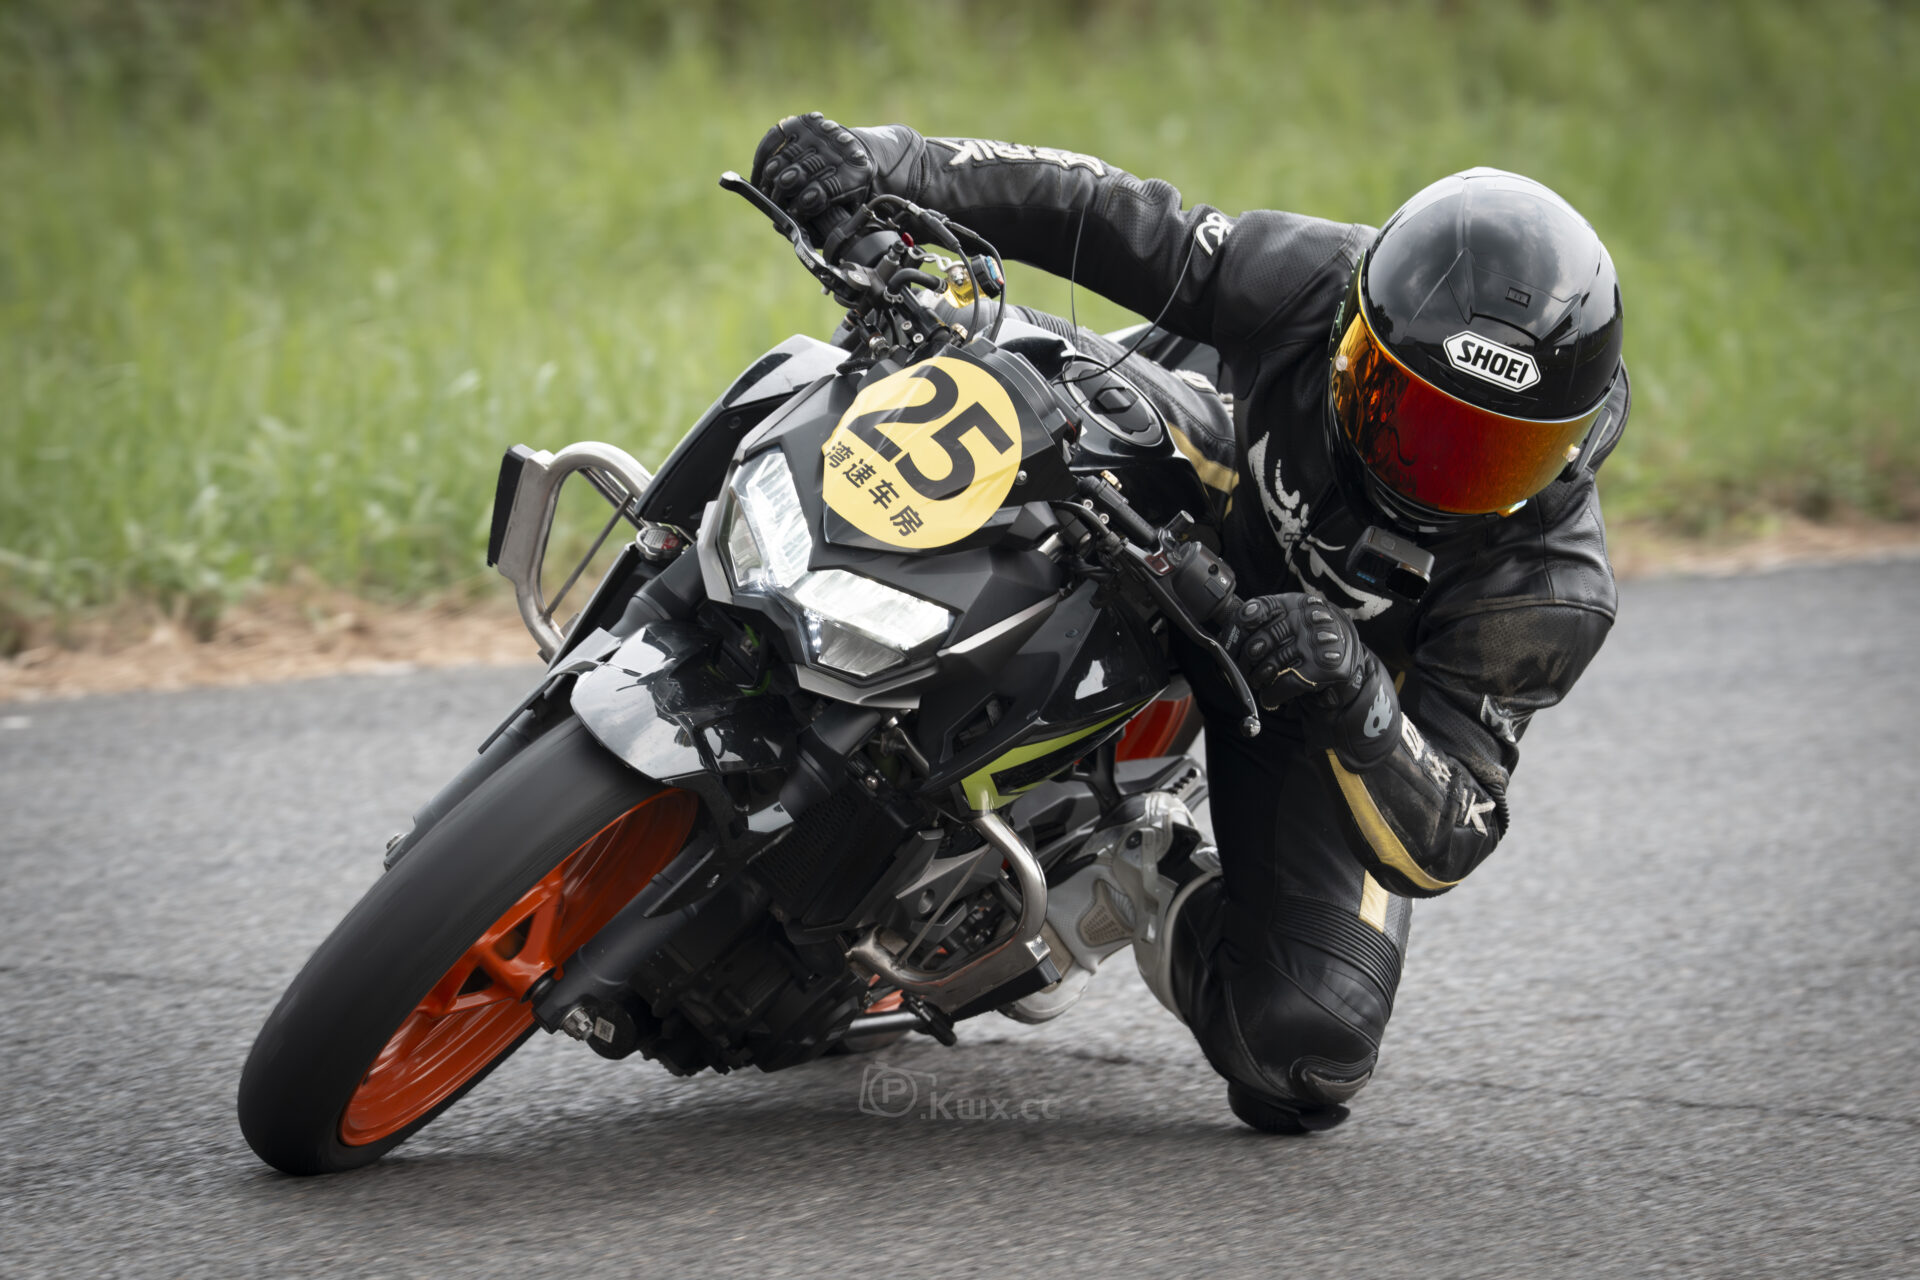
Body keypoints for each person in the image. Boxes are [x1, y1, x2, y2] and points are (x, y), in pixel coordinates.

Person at [752, 114, 1628, 1134]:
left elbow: (1450, 833)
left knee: (1306, 1043)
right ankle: (706, 563)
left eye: (1482, 454)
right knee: (933, 359)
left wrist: (1355, 690)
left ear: (1563, 454)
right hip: (1169, 476)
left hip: (1303, 702)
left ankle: (1140, 875)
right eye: (1403, 406)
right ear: (1355, 329)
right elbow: (1108, 211)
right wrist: (892, 162)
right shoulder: (1314, 277)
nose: (1422, 468)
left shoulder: (1548, 586)